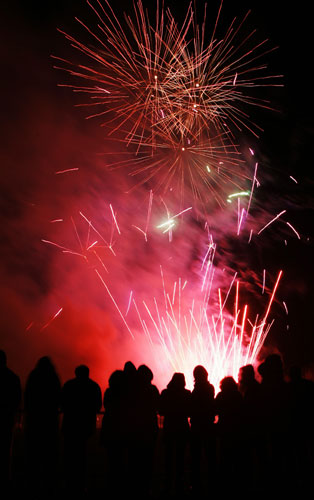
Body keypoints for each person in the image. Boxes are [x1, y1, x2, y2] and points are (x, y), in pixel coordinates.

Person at [61, 364, 102, 496]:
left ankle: (69, 484)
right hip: (86, 426)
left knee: (70, 455)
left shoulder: (69, 385)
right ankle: (82, 484)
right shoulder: (94, 387)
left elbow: (62, 403)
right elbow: (97, 406)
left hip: (71, 425)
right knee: (83, 456)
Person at [24, 356, 61, 498]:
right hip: (50, 423)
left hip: (35, 422)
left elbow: (27, 397)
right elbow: (58, 398)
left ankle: (32, 485)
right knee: (50, 457)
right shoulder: (53, 378)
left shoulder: (33, 377)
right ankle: (49, 486)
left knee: (33, 456)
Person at [159, 372, 191, 496]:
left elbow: (161, 410)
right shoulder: (187, 393)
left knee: (168, 458)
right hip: (182, 428)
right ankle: (180, 485)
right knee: (180, 458)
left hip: (169, 427)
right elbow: (189, 412)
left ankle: (167, 484)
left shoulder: (165, 393)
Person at [189, 365, 216, 497]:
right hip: (208, 425)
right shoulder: (210, 388)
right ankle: (212, 483)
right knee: (210, 455)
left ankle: (196, 484)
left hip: (197, 426)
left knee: (196, 457)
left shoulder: (196, 390)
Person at [215, 376, 244, 492]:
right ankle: (237, 480)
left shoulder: (221, 396)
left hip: (224, 428)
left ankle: (224, 482)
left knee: (224, 455)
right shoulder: (238, 396)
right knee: (236, 455)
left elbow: (215, 409)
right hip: (236, 429)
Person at [0, 350, 21, 495]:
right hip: (6, 419)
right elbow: (17, 399)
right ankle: (5, 480)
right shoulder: (12, 377)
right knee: (6, 450)